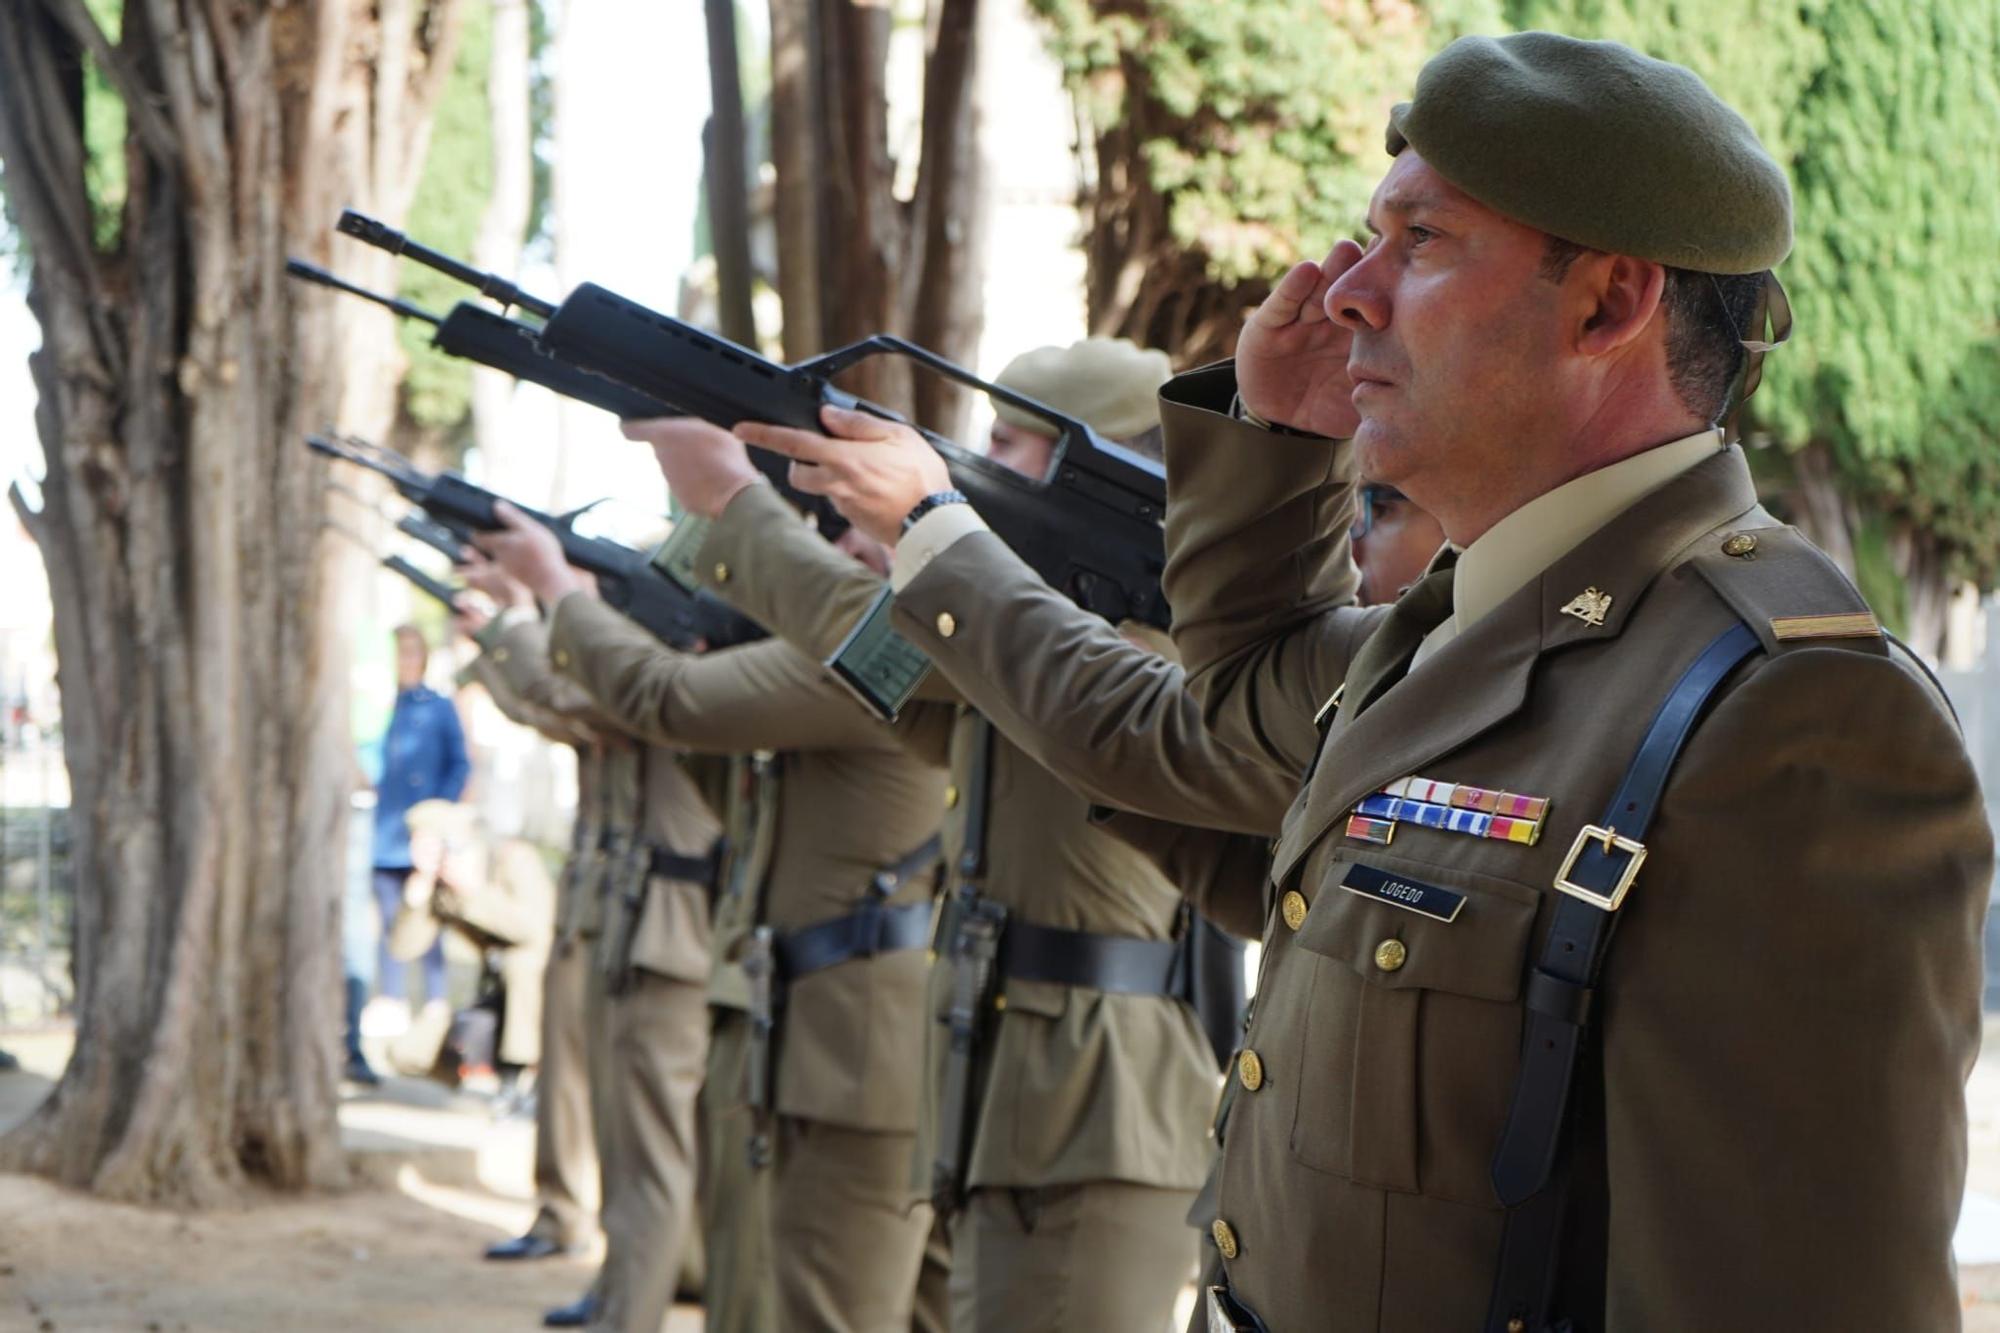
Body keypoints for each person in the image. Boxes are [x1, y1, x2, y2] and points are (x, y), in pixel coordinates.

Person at [698, 32, 1991, 1331]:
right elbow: (1236, 702)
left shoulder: (1790, 713)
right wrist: (1278, 444)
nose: (1345, 293)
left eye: (1419, 242)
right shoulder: (1461, 633)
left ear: (1605, 305)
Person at [627, 338, 1248, 1332]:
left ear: (1091, 467)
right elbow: (886, 677)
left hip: (1092, 1113)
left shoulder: (1135, 629)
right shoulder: (1037, 629)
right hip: (1011, 1095)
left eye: (1007, 441)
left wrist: (738, 503)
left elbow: (877, 649)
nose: (979, 461)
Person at [480, 504, 955, 1333]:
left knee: (804, 1289)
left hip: (839, 1035)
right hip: (803, 1020)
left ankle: (627, 1309)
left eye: (858, 536)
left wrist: (551, 594)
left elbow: (659, 699)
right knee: (755, 1264)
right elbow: (713, 769)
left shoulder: (879, 655)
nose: (836, 547)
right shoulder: (848, 661)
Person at [470, 575, 718, 1333]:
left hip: (668, 927)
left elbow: (574, 695)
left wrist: (522, 615)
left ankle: (631, 1304)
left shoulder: (675, 678)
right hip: (629, 911)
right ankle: (622, 1289)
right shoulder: (654, 675)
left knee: (649, 1149)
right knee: (625, 1136)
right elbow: (551, 703)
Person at [456, 587, 611, 1261]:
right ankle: (565, 1215)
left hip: (640, 900)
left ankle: (592, 1233)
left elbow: (570, 703)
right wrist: (494, 638)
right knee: (569, 1078)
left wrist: (511, 623)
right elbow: (538, 704)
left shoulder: (635, 666)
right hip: (601, 889)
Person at [382, 799, 556, 1086]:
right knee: (407, 1053)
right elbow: (403, 949)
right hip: (490, 993)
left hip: (537, 988)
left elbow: (533, 931)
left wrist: (473, 891)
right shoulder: (441, 886)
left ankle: (518, 1073)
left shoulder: (513, 858)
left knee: (521, 964)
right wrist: (418, 890)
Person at [369, 624, 471, 1027]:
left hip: (424, 832)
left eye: (412, 652)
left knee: (429, 923)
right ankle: (391, 999)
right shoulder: (380, 704)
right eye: (399, 653)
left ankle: (435, 1003)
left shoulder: (438, 706)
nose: (405, 661)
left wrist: (439, 813)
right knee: (390, 918)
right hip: (385, 831)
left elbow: (459, 762)